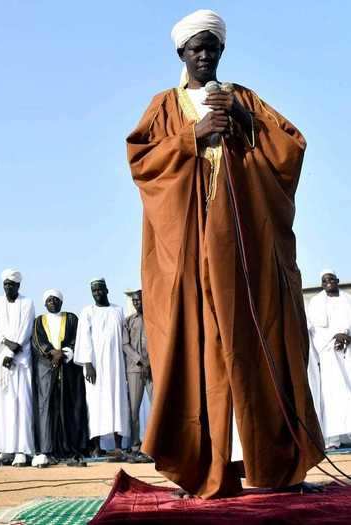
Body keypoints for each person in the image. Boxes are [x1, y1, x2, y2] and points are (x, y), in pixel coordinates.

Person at [126, 9, 323, 498]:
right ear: (181, 54)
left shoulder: (244, 99)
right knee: (201, 349)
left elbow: (289, 151)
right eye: (197, 48)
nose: (205, 55)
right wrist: (193, 138)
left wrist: (242, 120)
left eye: (212, 47)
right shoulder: (165, 107)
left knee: (260, 346)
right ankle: (205, 467)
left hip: (246, 254)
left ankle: (273, 466)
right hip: (194, 255)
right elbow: (142, 162)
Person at [31, 289, 88, 468]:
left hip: (68, 368)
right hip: (46, 369)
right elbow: (38, 341)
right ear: (44, 303)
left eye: (55, 299)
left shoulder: (71, 318)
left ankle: (71, 448)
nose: (52, 302)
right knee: (47, 407)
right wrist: (52, 353)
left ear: (61, 302)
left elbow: (77, 338)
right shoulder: (39, 320)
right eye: (49, 300)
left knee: (69, 407)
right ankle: (48, 449)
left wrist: (64, 353)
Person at [74, 278, 130, 461]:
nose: (97, 292)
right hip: (95, 368)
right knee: (96, 404)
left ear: (107, 290)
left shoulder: (118, 311)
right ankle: (97, 447)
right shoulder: (87, 312)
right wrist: (88, 364)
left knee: (117, 402)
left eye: (99, 289)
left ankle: (118, 446)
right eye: (94, 290)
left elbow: (123, 339)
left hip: (116, 365)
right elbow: (83, 338)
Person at [0, 269, 35, 467]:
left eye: (12, 284)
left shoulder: (27, 303)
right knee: (1, 406)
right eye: (5, 284)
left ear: (18, 286)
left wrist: (12, 353)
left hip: (20, 361)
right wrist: (5, 345)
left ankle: (21, 450)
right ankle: (4, 448)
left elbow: (25, 330)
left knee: (21, 404)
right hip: (0, 362)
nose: (8, 287)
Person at [307, 271, 351, 449]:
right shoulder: (316, 302)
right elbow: (314, 329)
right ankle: (333, 439)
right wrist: (334, 337)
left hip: (348, 351)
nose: (328, 282)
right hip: (328, 354)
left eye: (331, 279)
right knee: (332, 394)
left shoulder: (347, 299)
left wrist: (346, 334)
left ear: (337, 281)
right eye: (325, 280)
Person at [122, 290, 153, 462]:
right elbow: (125, 345)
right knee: (133, 409)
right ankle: (135, 445)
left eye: (139, 300)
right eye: (134, 301)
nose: (137, 303)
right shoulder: (128, 321)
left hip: (153, 368)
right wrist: (141, 361)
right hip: (135, 369)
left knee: (156, 407)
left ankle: (157, 446)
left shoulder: (153, 319)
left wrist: (149, 362)